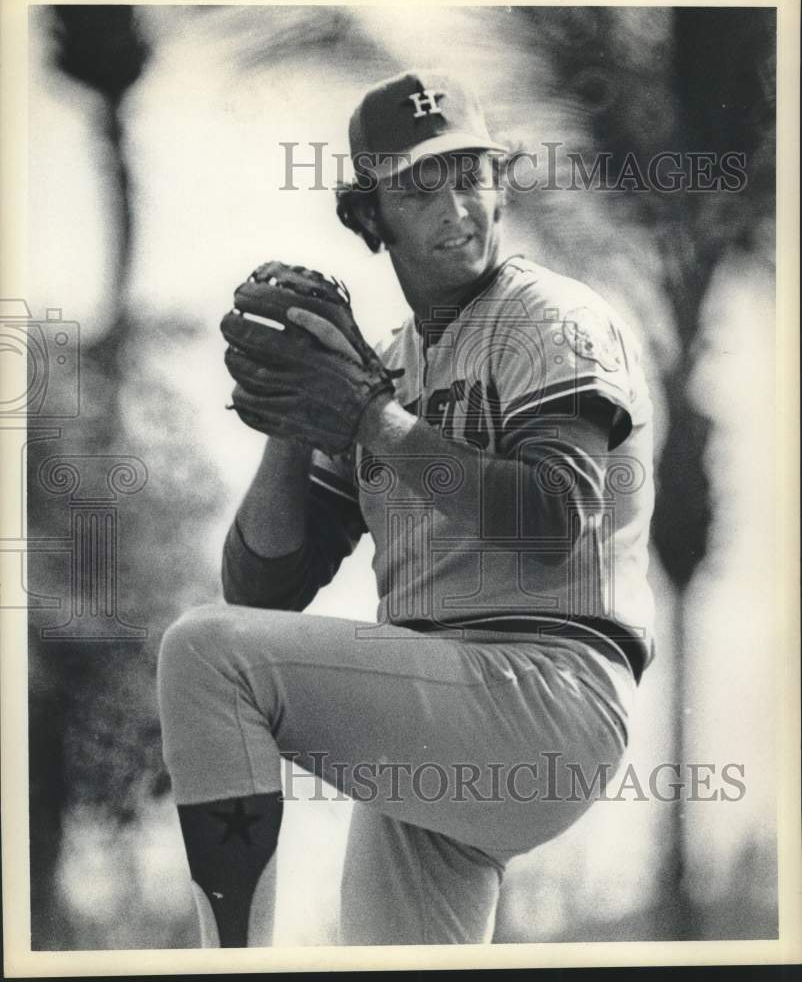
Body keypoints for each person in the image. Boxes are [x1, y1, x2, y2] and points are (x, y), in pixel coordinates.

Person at [157, 69, 655, 948]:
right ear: (369, 216)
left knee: (204, 655)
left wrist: (366, 419)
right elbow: (262, 592)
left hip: (548, 694)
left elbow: (550, 519)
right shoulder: (380, 370)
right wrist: (294, 419)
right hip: (445, 728)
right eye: (419, 186)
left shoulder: (552, 317)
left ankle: (225, 968)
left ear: (501, 188)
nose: (455, 206)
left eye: (469, 175)